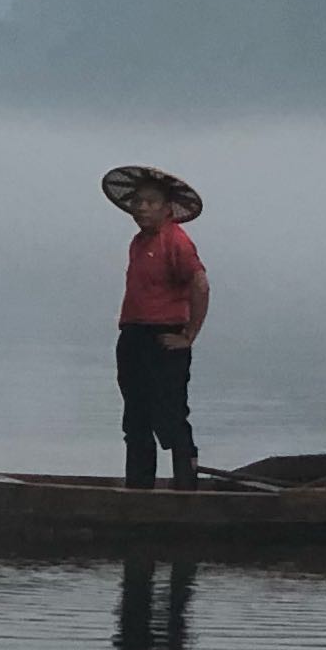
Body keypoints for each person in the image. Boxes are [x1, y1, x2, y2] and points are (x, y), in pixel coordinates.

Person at [103, 163, 209, 490]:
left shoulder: (176, 241)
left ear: (166, 209)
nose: (142, 208)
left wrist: (188, 335)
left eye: (150, 202)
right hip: (134, 336)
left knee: (171, 415)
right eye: (138, 202)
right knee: (135, 417)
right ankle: (138, 487)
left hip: (165, 337)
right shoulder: (138, 242)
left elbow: (200, 285)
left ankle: (186, 487)